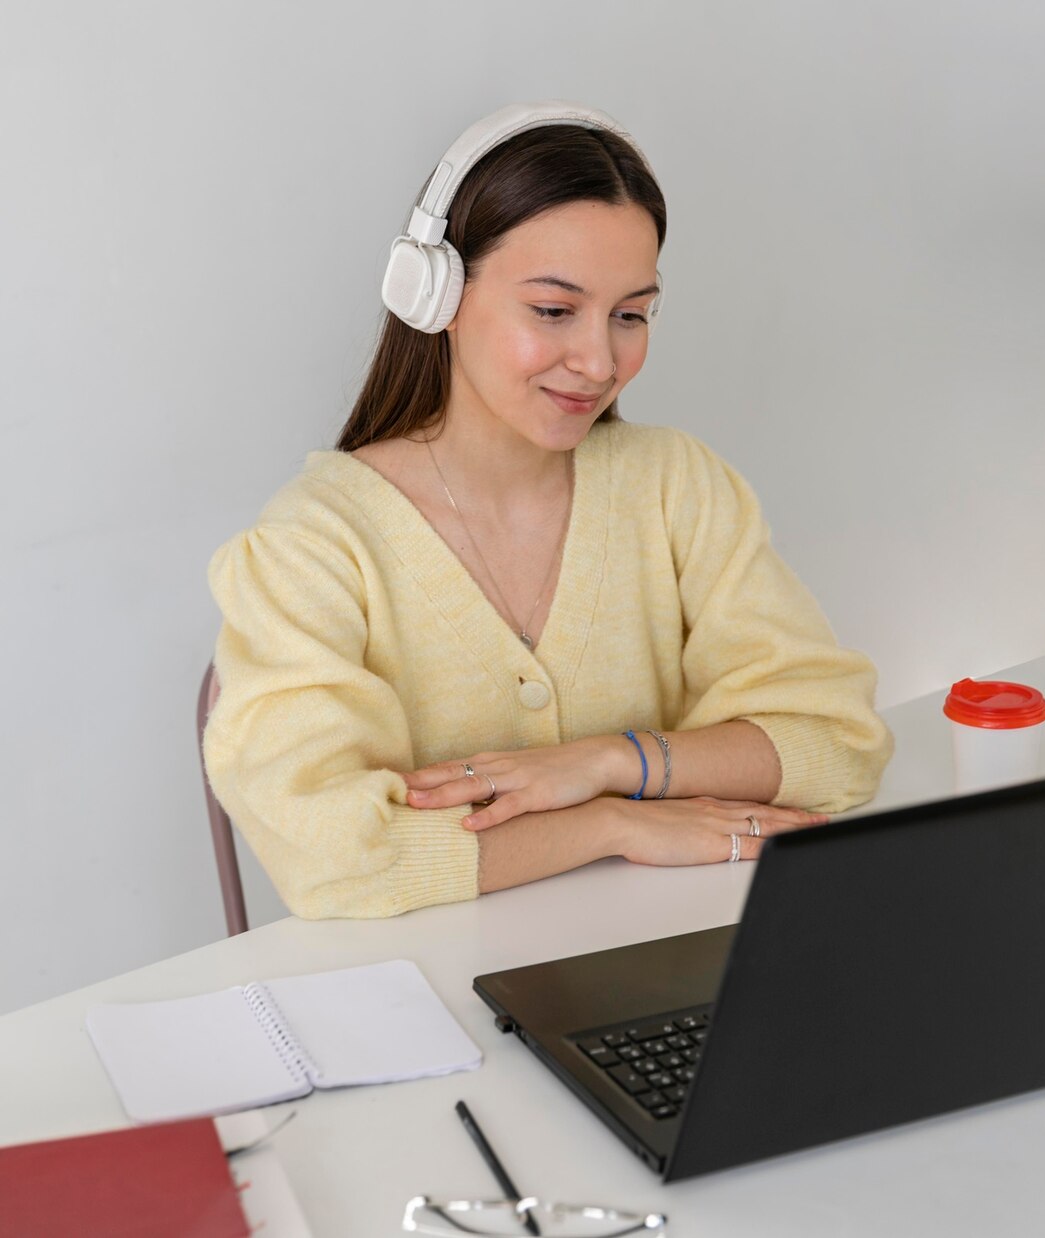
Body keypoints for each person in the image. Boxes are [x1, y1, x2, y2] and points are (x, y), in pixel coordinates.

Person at [205, 101, 893, 919]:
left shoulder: (675, 486)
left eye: (631, 314)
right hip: (436, 997)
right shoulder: (316, 545)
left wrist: (613, 762)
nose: (600, 361)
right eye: (554, 310)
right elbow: (332, 857)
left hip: (672, 954)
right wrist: (608, 827)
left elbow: (836, 743)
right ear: (436, 295)